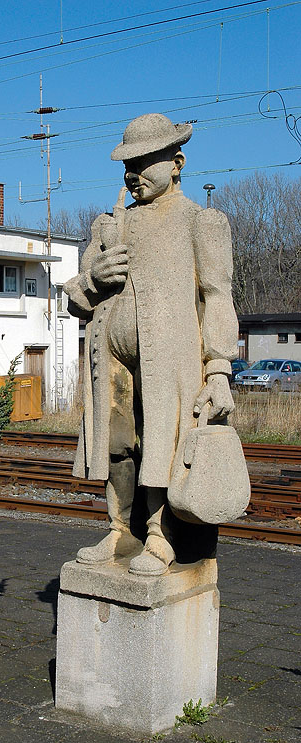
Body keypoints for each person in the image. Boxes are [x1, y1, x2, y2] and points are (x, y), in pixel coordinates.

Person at [64, 113, 238, 576]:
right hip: (112, 357)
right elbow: (77, 300)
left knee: (163, 442)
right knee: (118, 444)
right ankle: (120, 529)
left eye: (145, 162)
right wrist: (94, 279)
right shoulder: (110, 225)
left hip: (171, 358)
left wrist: (219, 369)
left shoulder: (200, 222)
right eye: (127, 164)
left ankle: (161, 535)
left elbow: (217, 297)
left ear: (176, 162)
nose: (133, 174)